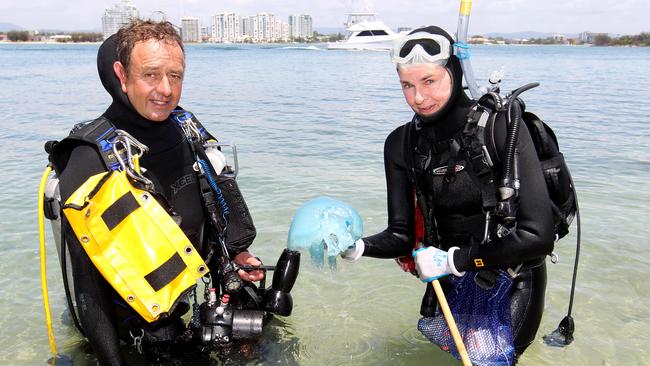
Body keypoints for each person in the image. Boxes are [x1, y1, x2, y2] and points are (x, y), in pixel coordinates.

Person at [51, 20, 264, 365]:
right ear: (122, 74)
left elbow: (207, 205)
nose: (165, 89)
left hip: (189, 315)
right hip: (131, 337)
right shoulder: (89, 158)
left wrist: (237, 255)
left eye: (175, 75)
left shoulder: (186, 127)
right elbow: (89, 292)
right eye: (151, 74)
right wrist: (111, 359)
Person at [341, 26, 555, 358]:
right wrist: (357, 247)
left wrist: (453, 259)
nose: (419, 98)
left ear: (453, 72)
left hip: (512, 279)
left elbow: (538, 236)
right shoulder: (401, 143)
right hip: (449, 282)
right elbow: (402, 234)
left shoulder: (501, 129)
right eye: (407, 86)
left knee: (488, 361)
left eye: (429, 81)